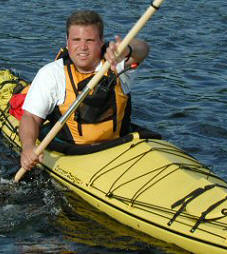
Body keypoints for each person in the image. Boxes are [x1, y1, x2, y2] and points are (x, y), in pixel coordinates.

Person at [19, 10, 149, 171]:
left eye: (90, 40)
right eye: (76, 40)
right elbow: (30, 117)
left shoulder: (115, 63)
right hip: (74, 151)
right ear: (67, 42)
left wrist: (127, 49)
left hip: (118, 146)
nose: (83, 47)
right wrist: (28, 147)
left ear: (101, 42)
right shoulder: (51, 74)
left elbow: (142, 49)